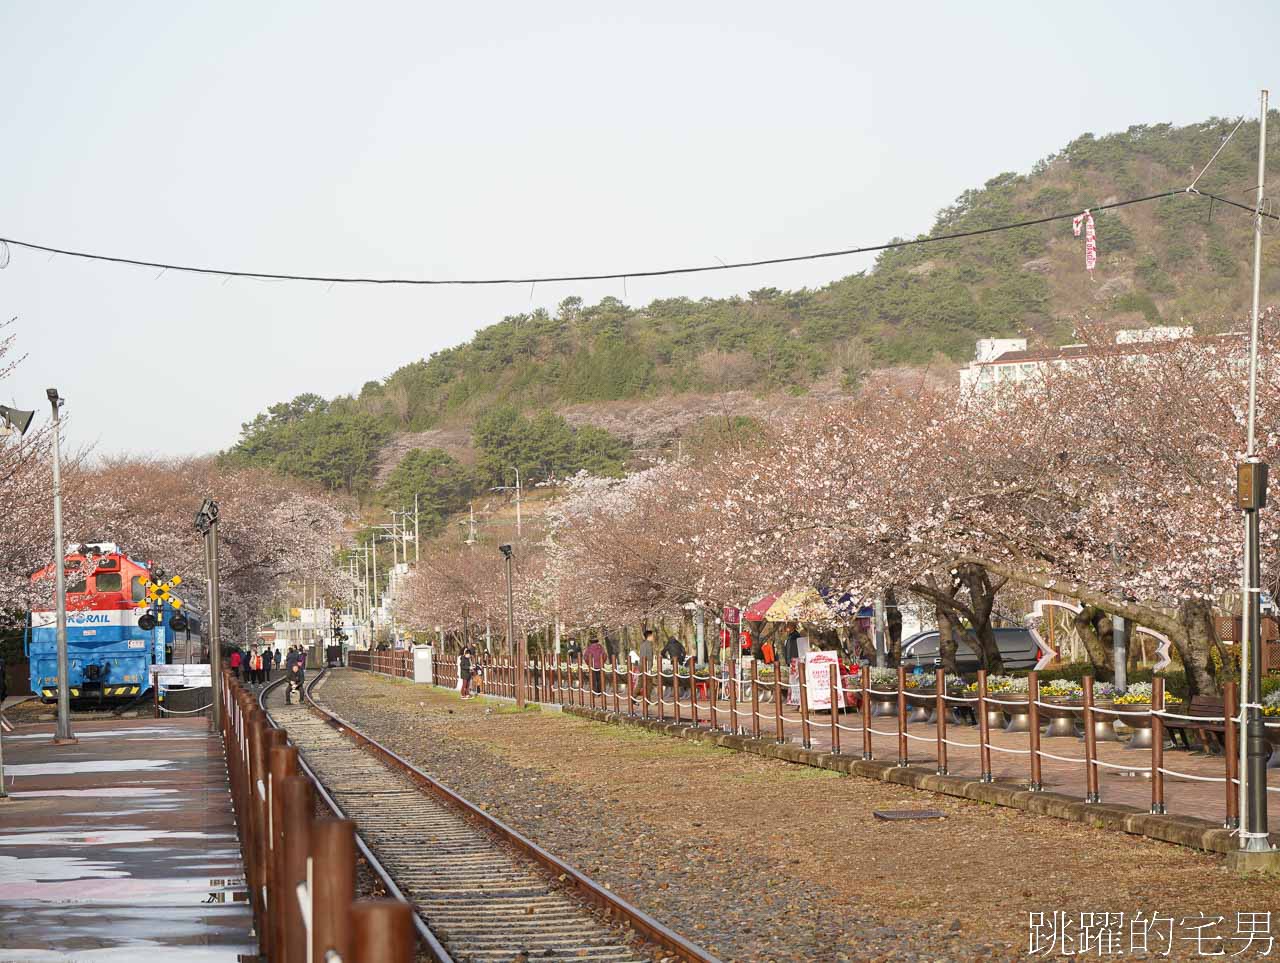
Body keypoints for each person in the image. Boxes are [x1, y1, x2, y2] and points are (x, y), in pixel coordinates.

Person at [637, 628, 656, 705]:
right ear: (649, 636)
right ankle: (647, 700)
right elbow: (649, 657)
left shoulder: (643, 644)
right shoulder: (648, 645)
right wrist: (649, 667)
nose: (653, 637)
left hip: (642, 665)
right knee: (648, 684)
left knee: (642, 683)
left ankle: (635, 697)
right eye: (652, 636)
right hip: (646, 666)